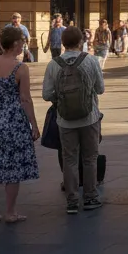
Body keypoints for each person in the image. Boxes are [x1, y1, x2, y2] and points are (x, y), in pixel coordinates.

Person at [0, 26, 40, 224]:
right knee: (13, 168)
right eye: (21, 42)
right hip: (14, 121)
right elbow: (25, 99)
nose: (23, 45)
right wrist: (34, 125)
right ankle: (10, 212)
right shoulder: (21, 68)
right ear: (14, 44)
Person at [42, 26, 104, 215]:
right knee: (90, 158)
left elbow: (46, 94)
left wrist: (60, 98)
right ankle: (91, 197)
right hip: (90, 117)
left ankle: (72, 201)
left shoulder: (54, 64)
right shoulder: (91, 61)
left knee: (69, 159)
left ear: (62, 43)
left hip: (65, 120)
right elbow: (100, 89)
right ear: (81, 42)